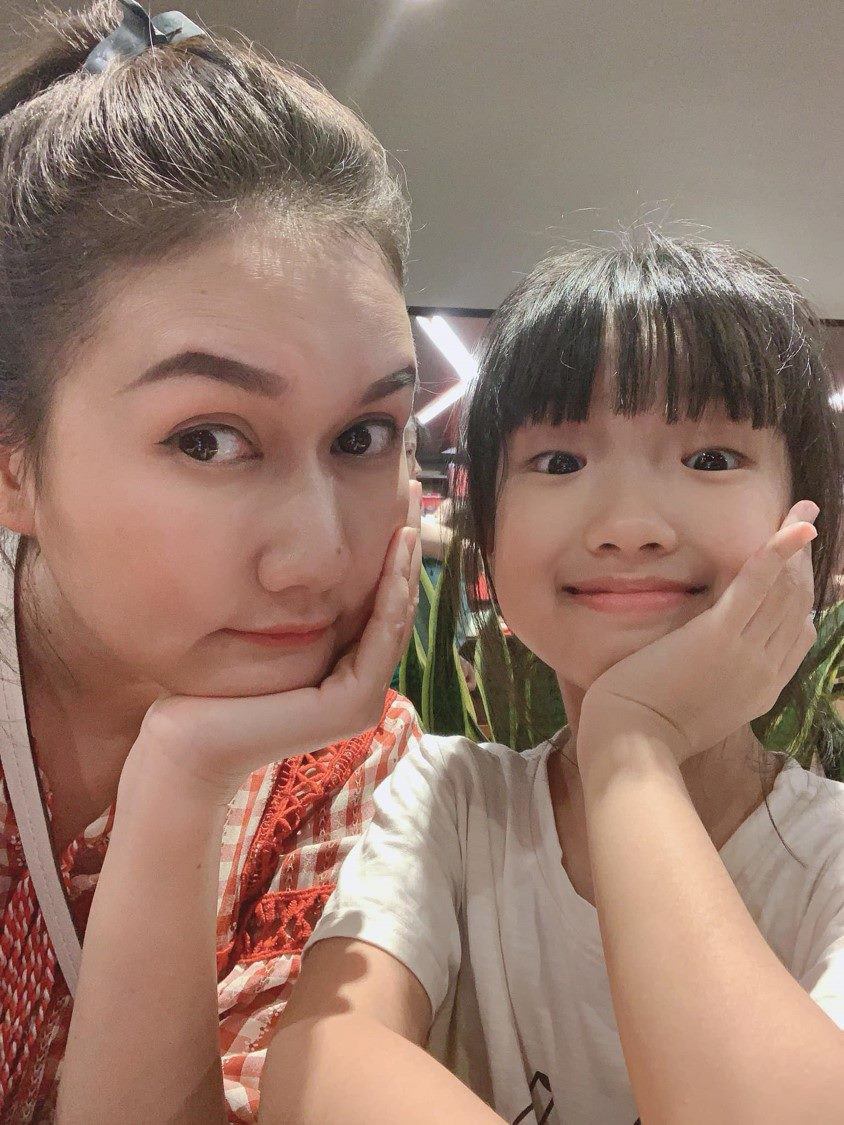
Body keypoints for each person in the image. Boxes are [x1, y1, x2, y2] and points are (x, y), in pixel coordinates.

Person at [260, 237, 844, 1123]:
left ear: (809, 517)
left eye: (711, 458)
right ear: (488, 533)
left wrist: (631, 739)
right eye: (560, 462)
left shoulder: (828, 858)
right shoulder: (453, 803)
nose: (629, 526)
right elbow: (318, 1063)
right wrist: (634, 734)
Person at [0, 2, 423, 1121]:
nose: (318, 555)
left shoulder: (349, 763)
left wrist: (183, 781)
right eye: (208, 440)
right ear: (12, 462)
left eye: (363, 436)